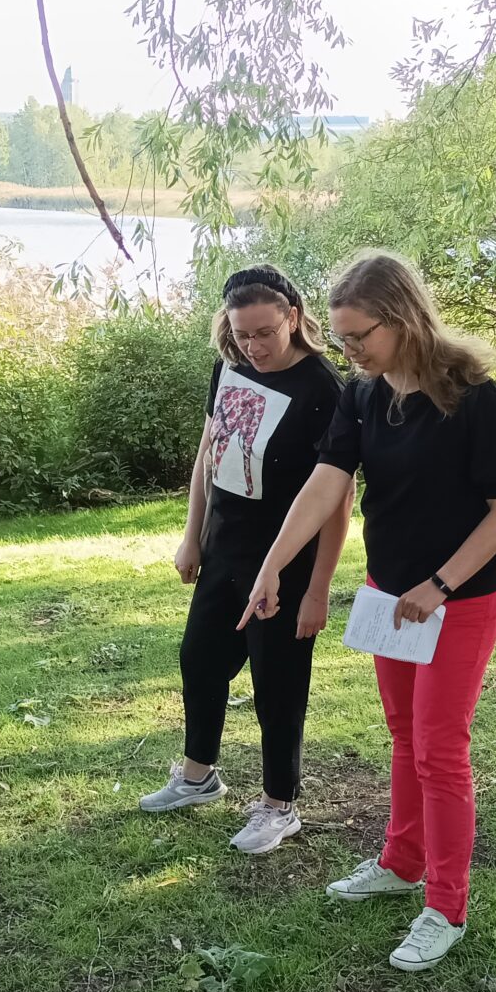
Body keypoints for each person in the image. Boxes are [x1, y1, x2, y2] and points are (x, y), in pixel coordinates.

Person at [240, 252, 496, 972]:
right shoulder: (363, 394)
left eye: (357, 336)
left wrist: (439, 584)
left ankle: (446, 905)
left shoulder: (472, 395)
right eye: (341, 339)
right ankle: (401, 862)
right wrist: (274, 563)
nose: (348, 351)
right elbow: (326, 481)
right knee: (404, 732)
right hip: (389, 590)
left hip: (458, 596)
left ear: (401, 319)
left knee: (440, 748)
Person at [139, 265, 350, 855]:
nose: (252, 346)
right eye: (240, 334)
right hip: (224, 549)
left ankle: (280, 805)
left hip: (285, 564)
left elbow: (337, 498)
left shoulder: (323, 390)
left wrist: (316, 591)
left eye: (264, 332)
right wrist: (192, 536)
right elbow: (210, 454)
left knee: (276, 683)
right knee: (199, 661)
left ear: (292, 317)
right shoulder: (230, 366)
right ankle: (198, 775)